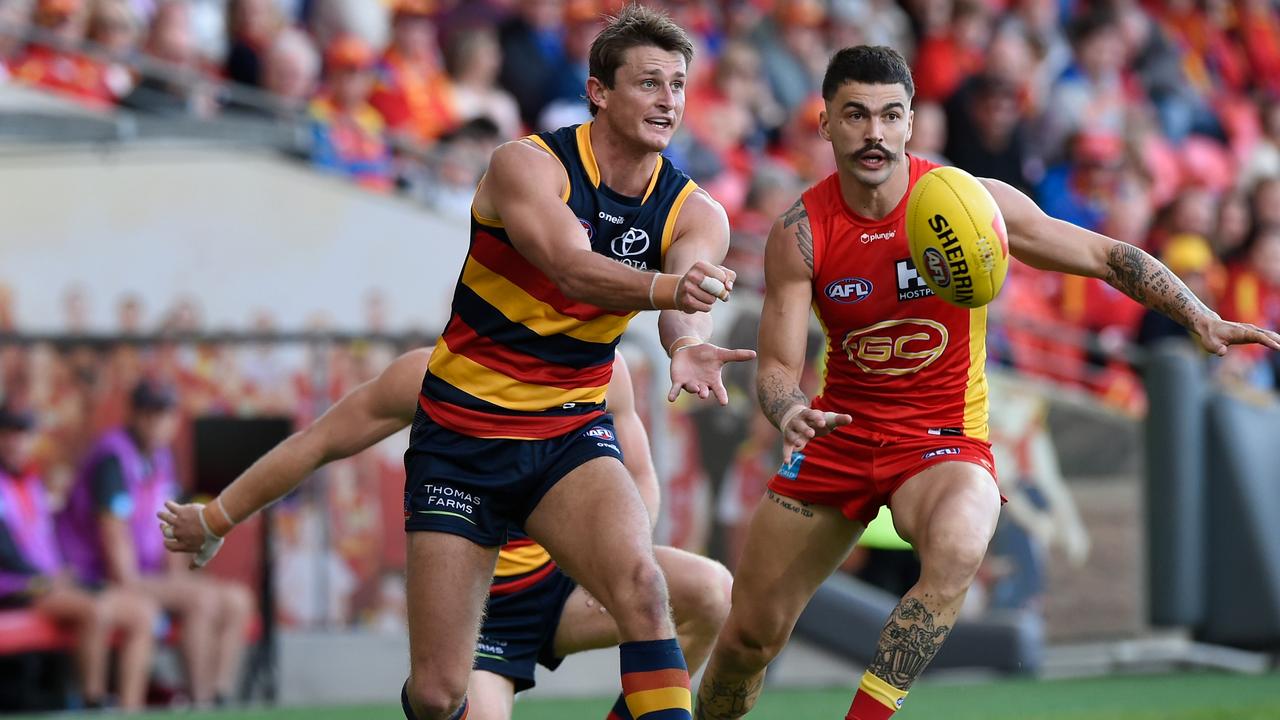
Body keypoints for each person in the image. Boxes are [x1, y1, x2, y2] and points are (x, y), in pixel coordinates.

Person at [694, 45, 1280, 720]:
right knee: (747, 639)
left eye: (890, 115)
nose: (874, 133)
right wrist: (789, 408)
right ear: (825, 123)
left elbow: (1102, 254)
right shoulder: (800, 232)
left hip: (941, 441)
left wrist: (1199, 315)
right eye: (855, 115)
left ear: (912, 122)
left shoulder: (971, 202)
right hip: (838, 435)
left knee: (961, 544)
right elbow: (773, 365)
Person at [223, 6, 744, 718]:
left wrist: (685, 340)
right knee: (439, 697)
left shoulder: (695, 210)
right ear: (598, 91)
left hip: (566, 434)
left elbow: (689, 286)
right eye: (649, 82)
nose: (668, 100)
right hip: (463, 445)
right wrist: (217, 517)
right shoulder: (527, 164)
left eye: (678, 85)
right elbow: (569, 267)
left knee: (650, 591)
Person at [159, 349, 734, 719]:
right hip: (482, 612)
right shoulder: (432, 374)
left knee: (709, 590)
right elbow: (317, 443)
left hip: (562, 589)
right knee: (441, 702)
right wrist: (214, 520)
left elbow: (639, 479)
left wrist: (616, 561)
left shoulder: (605, 369)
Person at [57, 381, 253, 707]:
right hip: (101, 578)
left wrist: (176, 579)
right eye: (150, 412)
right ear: (135, 414)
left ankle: (219, 697)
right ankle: (199, 702)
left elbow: (168, 528)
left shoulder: (162, 457)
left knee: (237, 600)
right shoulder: (112, 459)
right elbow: (116, 547)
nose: (158, 421)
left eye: (165, 413)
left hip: (147, 575)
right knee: (200, 599)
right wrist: (163, 587)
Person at [0, 404, 157, 712]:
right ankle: (93, 703)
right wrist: (47, 577)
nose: (17, 442)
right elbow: (5, 550)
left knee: (142, 613)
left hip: (51, 584)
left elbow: (46, 542)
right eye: (9, 433)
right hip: (18, 588)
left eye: (24, 433)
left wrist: (63, 574)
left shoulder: (32, 482)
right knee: (94, 610)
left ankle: (130, 710)